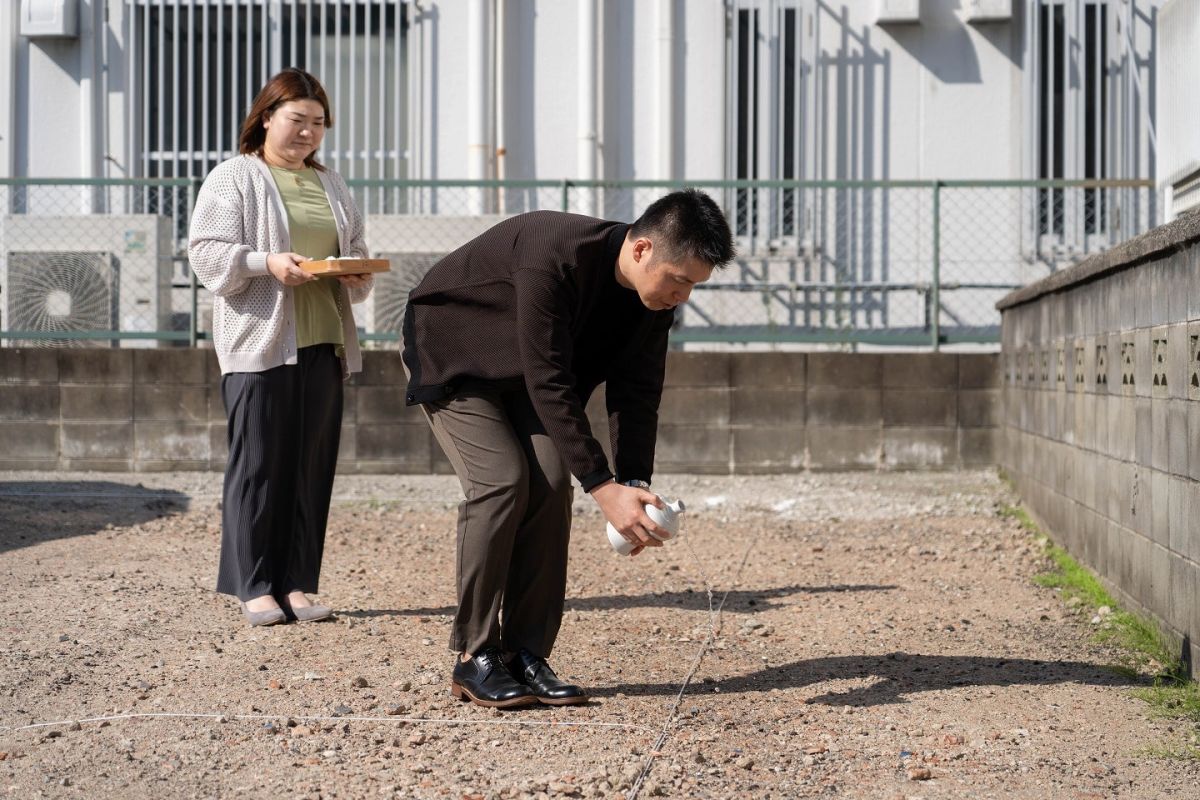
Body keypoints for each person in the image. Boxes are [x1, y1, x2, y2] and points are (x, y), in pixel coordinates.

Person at [401, 190, 735, 708]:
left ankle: (526, 653)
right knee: (502, 482)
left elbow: (638, 390)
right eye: (681, 280)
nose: (684, 295)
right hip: (455, 353)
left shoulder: (653, 300)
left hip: (526, 376)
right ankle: (475, 656)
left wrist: (634, 484)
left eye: (695, 285)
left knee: (553, 482)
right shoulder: (552, 251)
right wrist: (603, 488)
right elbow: (549, 378)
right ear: (643, 249)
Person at [189, 68, 373, 627]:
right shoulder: (234, 177)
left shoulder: (333, 184)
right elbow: (206, 251)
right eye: (297, 120)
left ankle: (296, 583)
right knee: (259, 466)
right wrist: (266, 262)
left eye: (318, 123)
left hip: (324, 343)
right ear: (266, 117)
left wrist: (354, 274)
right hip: (260, 343)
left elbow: (358, 250)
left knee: (310, 466)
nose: (308, 132)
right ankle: (255, 584)